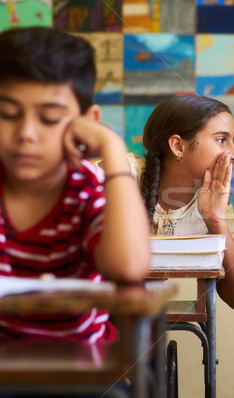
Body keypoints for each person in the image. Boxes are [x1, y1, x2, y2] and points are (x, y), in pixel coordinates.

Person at [0, 26, 150, 342]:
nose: (26, 133)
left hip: (82, 371)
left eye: (50, 118)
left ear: (86, 123)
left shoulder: (86, 188)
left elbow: (129, 267)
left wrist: (112, 148)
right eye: (7, 114)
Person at [129, 95, 234, 312]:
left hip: (136, 319)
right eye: (221, 140)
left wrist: (215, 220)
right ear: (178, 146)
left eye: (233, 141)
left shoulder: (216, 205)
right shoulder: (126, 173)